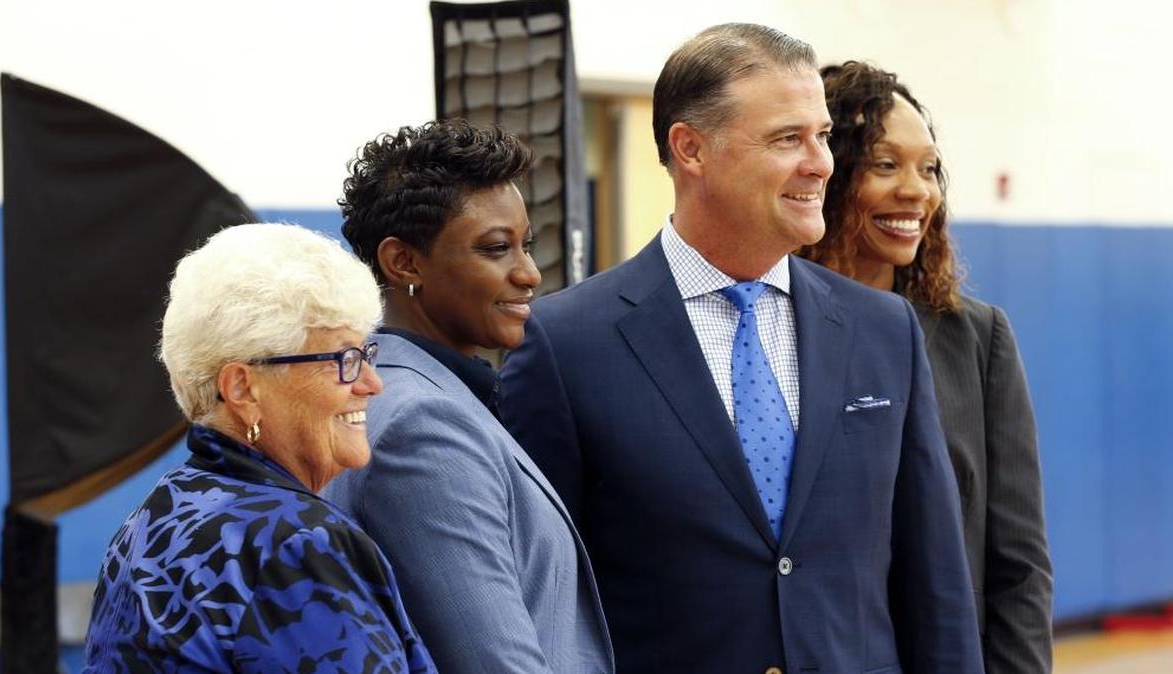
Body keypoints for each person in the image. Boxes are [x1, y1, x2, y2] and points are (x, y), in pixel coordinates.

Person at [500, 23, 983, 673]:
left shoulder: (883, 330)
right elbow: (540, 594)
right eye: (788, 139)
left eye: (822, 137)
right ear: (691, 149)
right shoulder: (565, 344)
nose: (820, 164)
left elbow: (937, 585)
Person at [323, 120, 614, 674]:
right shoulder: (422, 426)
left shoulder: (388, 389)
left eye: (525, 245)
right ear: (403, 263)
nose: (528, 273)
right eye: (496, 249)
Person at [82, 224, 436, 673]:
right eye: (344, 361)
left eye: (367, 354)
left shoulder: (153, 518)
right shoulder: (296, 544)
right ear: (243, 389)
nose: (372, 383)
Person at [797, 60, 1054, 673]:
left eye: (930, 167)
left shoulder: (977, 337)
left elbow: (1018, 566)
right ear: (827, 177)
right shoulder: (768, 328)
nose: (918, 190)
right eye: (886, 165)